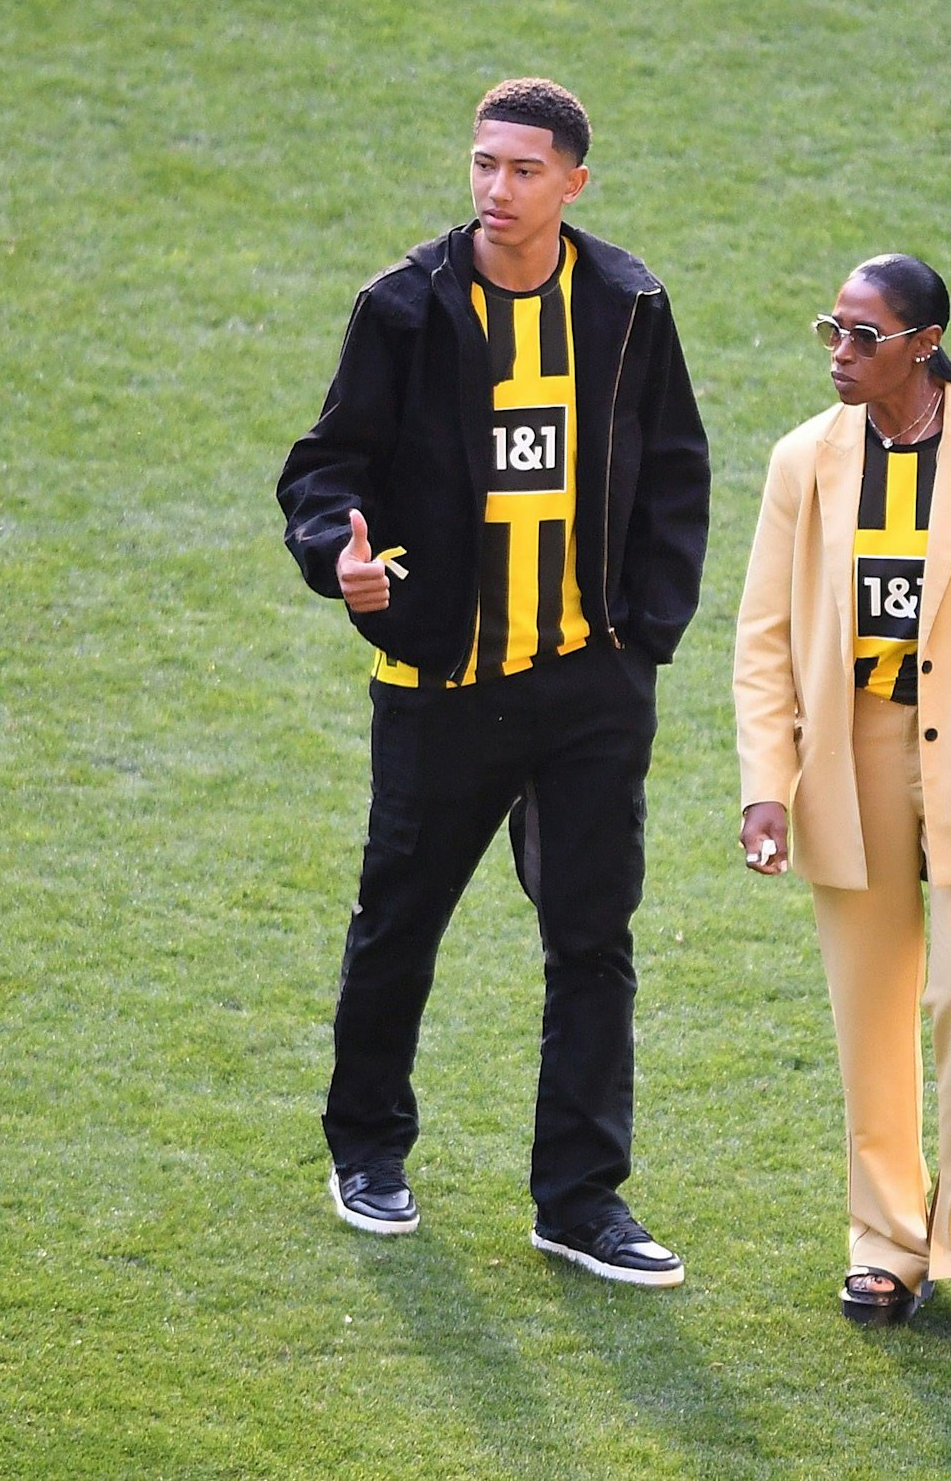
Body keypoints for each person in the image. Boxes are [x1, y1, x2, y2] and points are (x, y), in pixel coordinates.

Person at [277, 78, 710, 1287]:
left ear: (574, 181)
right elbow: (327, 467)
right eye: (482, 165)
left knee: (592, 941)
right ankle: (366, 1149)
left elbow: (674, 469)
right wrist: (340, 561)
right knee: (399, 922)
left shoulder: (625, 305)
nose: (495, 189)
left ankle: (578, 1201)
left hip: (587, 688)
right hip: (443, 686)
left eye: (523, 169)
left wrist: (641, 640)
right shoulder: (403, 309)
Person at [732, 254, 951, 1344]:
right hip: (846, 760)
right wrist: (764, 786)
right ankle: (885, 1246)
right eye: (830, 332)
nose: (838, 354)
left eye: (861, 336)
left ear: (922, 344)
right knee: (868, 1015)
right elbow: (763, 640)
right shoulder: (803, 460)